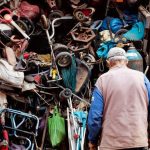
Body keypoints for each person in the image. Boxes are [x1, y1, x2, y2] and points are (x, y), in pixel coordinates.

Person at [87, 47, 150, 150]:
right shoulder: (142, 78)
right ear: (126, 61)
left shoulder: (102, 81)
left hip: (111, 144)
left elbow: (95, 117)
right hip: (138, 141)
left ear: (108, 63)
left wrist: (92, 140)